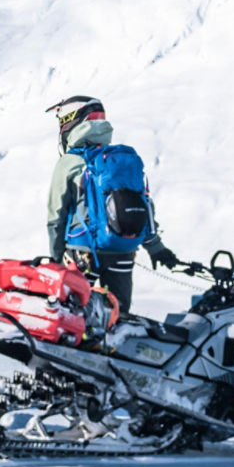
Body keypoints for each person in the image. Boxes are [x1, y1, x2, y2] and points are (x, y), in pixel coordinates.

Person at [45, 96, 178, 314]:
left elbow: (55, 216)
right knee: (119, 315)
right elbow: (144, 207)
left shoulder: (69, 162)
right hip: (122, 249)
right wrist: (157, 249)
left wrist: (55, 260)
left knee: (73, 314)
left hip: (82, 252)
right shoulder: (121, 159)